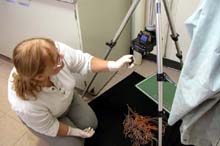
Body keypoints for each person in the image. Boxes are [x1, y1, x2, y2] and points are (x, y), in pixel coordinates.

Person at [8, 38, 134, 146]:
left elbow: (84, 61)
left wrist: (113, 65)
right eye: (57, 59)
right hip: (48, 119)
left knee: (91, 123)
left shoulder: (49, 50)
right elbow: (51, 127)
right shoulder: (26, 105)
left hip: (66, 98)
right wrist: (75, 132)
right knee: (74, 143)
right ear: (40, 77)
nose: (62, 56)